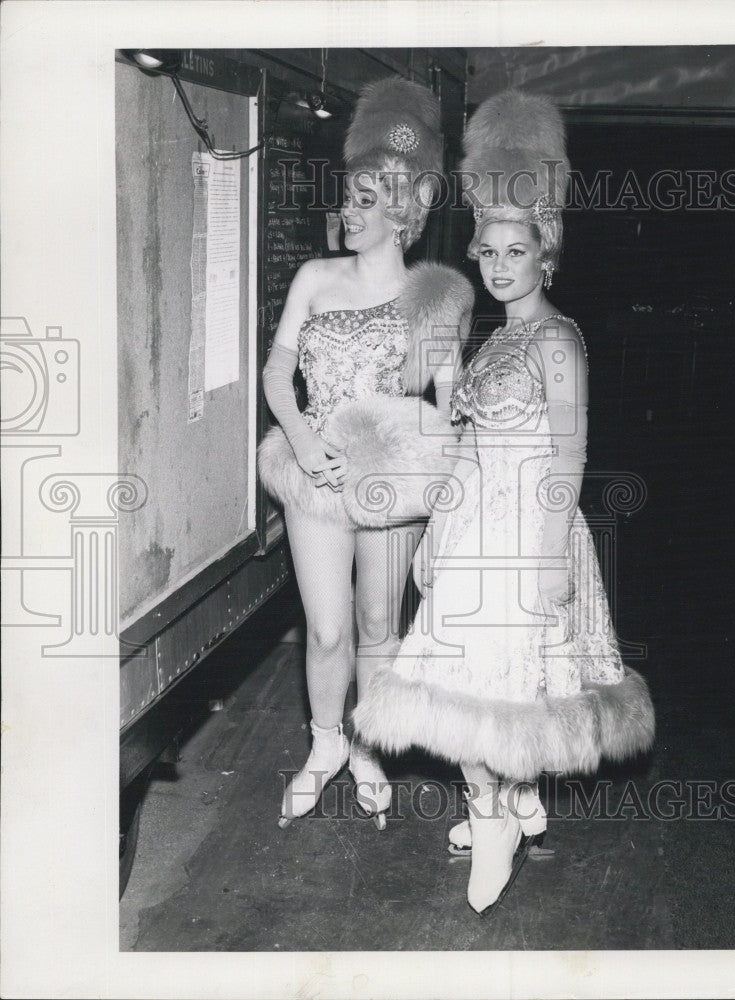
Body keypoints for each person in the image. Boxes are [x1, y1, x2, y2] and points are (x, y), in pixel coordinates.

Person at [354, 90, 655, 912]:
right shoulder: (496, 338)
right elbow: (468, 434)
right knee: (458, 687)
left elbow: (569, 454)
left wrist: (548, 560)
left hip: (526, 535)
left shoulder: (558, 340)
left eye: (511, 253)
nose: (494, 264)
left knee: (499, 691)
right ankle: (507, 803)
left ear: (543, 257)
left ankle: (495, 817)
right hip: (473, 526)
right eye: (485, 251)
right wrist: (439, 511)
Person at [259, 77, 473, 830]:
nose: (347, 214)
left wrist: (442, 462)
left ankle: (369, 748)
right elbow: (276, 374)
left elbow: (449, 402)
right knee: (326, 629)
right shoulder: (315, 278)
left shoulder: (435, 294)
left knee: (380, 626)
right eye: (347, 200)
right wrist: (302, 438)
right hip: (314, 473)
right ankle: (323, 746)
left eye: (362, 203)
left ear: (400, 212)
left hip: (390, 477)